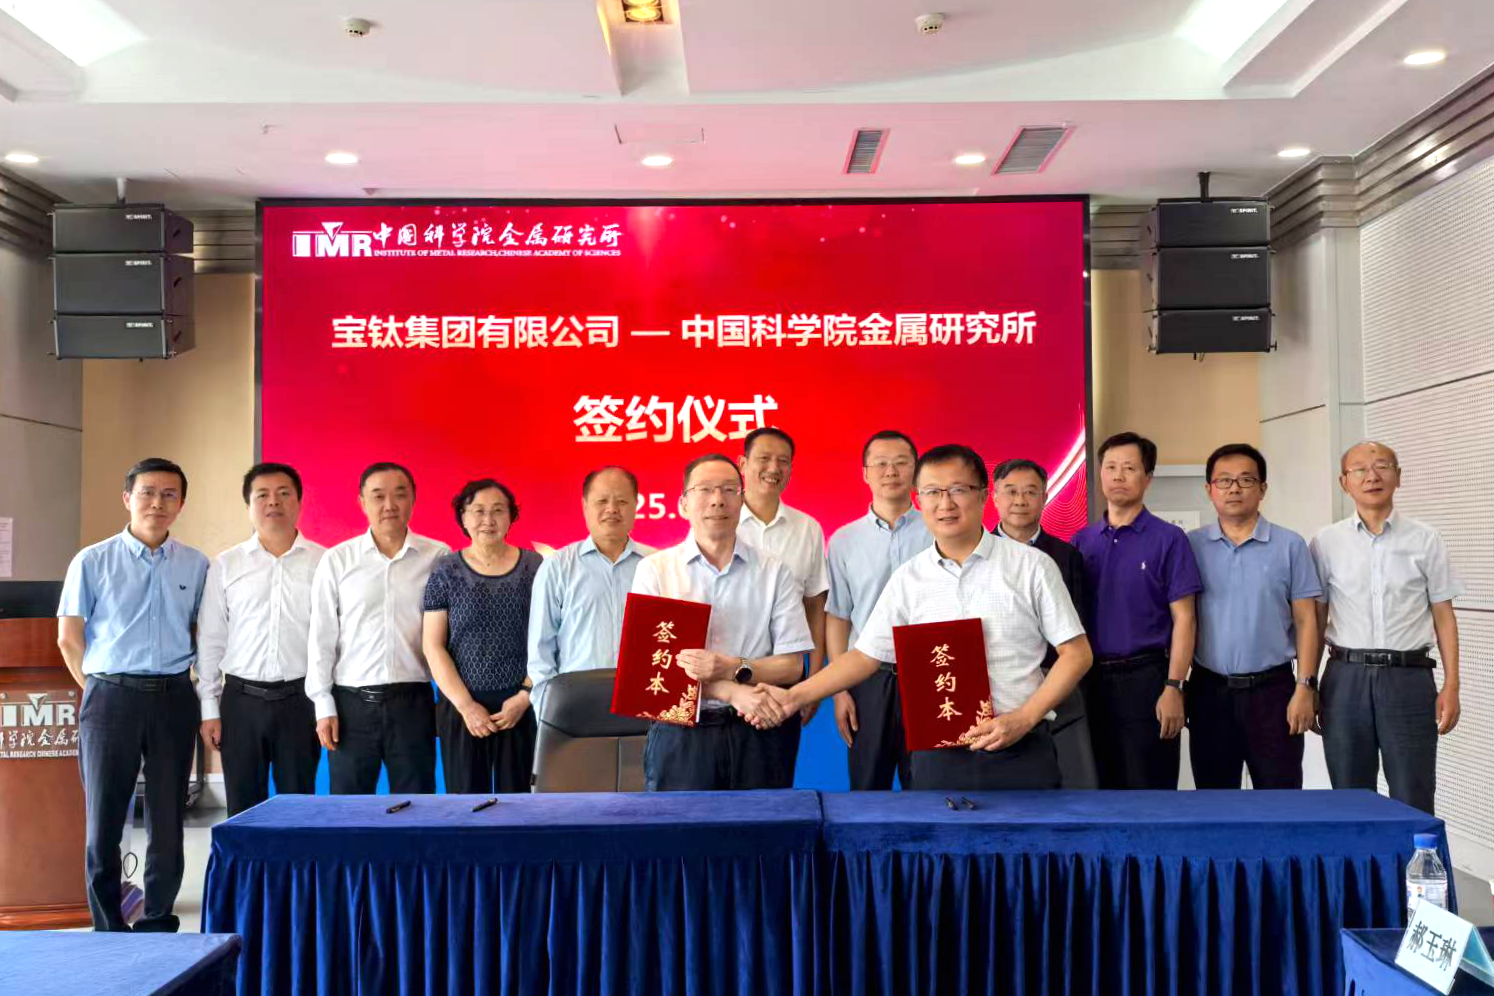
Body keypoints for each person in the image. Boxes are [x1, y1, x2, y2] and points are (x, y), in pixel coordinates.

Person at [775, 444, 1093, 791]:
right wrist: (795, 696)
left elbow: (1076, 654)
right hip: (938, 757)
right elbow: (865, 657)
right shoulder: (908, 578)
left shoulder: (1032, 566)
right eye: (932, 492)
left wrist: (1024, 718)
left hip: (1020, 748)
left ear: (983, 495)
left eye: (958, 490)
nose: (945, 503)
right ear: (919, 500)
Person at [57, 457, 209, 932]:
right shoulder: (92, 560)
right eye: (147, 492)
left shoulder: (196, 564)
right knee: (104, 817)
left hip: (173, 697)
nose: (157, 502)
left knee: (168, 815)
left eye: (169, 494)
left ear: (180, 504)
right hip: (110, 697)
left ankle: (159, 918)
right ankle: (108, 925)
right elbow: (69, 637)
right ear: (127, 498)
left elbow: (202, 632)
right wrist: (100, 690)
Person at [632, 453, 814, 791]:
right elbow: (651, 671)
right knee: (679, 825)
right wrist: (732, 691)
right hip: (681, 732)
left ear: (742, 501)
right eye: (704, 489)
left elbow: (791, 666)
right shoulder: (655, 571)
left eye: (729, 489)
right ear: (683, 504)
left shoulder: (774, 571)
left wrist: (732, 667)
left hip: (758, 729)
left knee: (763, 824)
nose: (717, 500)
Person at [1310, 441, 1463, 814]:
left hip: (1408, 678)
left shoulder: (1425, 539)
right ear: (1344, 482)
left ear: (1398, 476)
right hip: (1345, 678)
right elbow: (1315, 618)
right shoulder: (1326, 542)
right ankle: (1356, 857)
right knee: (1349, 796)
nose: (1372, 476)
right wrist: (1308, 683)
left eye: (1382, 466)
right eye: (1360, 469)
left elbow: (1444, 615)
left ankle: (1413, 856)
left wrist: (1452, 685)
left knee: (1413, 793)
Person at [306, 462, 450, 794]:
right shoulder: (338, 560)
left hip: (413, 702)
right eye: (378, 496)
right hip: (350, 706)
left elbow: (449, 636)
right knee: (349, 808)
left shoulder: (437, 557)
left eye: (400, 495)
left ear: (413, 499)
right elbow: (321, 637)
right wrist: (323, 704)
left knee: (416, 804)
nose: (389, 505)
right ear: (362, 502)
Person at [1186, 444, 1321, 790]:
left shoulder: (1290, 545)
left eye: (1246, 480)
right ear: (1209, 489)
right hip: (1209, 691)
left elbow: (1307, 621)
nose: (1234, 488)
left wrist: (1306, 686)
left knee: (1280, 798)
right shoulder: (1190, 546)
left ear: (1262, 489)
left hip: (1273, 692)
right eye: (1224, 480)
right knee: (1214, 800)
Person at [1072, 432, 1202, 790]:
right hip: (1090, 679)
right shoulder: (1082, 541)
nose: (1118, 475)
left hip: (1147, 678)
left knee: (1150, 786)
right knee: (1096, 785)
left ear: (1148, 478)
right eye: (1110, 467)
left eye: (1129, 468)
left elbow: (1185, 618)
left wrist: (1174, 685)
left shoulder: (1169, 539)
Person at [197, 462, 326, 816]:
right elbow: (211, 640)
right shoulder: (226, 565)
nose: (273, 502)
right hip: (241, 703)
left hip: (301, 701)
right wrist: (210, 709)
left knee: (298, 807)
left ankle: (295, 857)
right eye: (262, 495)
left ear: (299, 502)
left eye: (284, 494)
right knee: (242, 809)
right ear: (249, 506)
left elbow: (333, 640)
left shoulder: (325, 562)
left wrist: (326, 705)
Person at [824, 430, 930, 790]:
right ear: (865, 473)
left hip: (930, 673)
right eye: (881, 463)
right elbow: (839, 617)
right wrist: (840, 689)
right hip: (867, 678)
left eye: (901, 463)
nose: (891, 471)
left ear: (915, 471)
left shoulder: (939, 530)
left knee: (930, 785)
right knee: (867, 788)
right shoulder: (844, 540)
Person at [423, 479, 542, 794]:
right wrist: (466, 706)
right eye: (478, 511)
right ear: (463, 517)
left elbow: (549, 639)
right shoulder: (445, 571)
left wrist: (525, 697)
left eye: (498, 510)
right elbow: (433, 645)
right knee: (465, 805)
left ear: (511, 516)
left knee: (519, 805)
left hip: (520, 705)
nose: (488, 520)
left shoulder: (535, 567)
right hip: (460, 706)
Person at [736, 427, 829, 785]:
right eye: (764, 459)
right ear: (743, 463)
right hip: (727, 678)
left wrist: (813, 681)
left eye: (783, 461)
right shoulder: (720, 520)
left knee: (773, 786)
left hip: (785, 680)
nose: (773, 468)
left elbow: (815, 607)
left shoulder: (807, 529)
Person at [527, 466, 655, 718]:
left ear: (635, 506)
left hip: (643, 705)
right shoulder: (557, 567)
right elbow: (541, 652)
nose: (612, 509)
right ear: (585, 506)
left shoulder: (656, 565)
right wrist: (549, 713)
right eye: (602, 501)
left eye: (622, 501)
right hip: (576, 708)